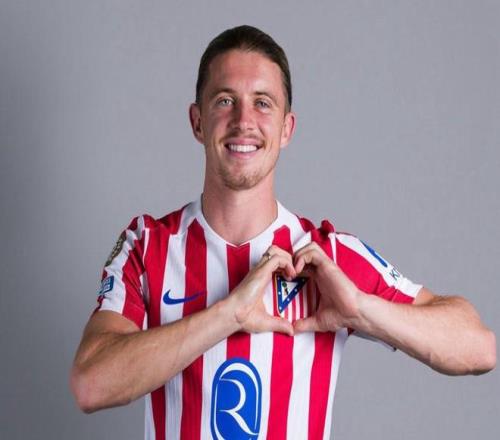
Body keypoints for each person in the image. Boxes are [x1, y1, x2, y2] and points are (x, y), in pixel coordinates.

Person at [70, 25, 496, 440]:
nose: (243, 121)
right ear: (197, 122)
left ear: (287, 128)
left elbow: (478, 348)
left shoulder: (326, 257)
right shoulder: (148, 246)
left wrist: (360, 310)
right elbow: (91, 383)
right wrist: (228, 315)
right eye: (224, 101)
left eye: (262, 103)